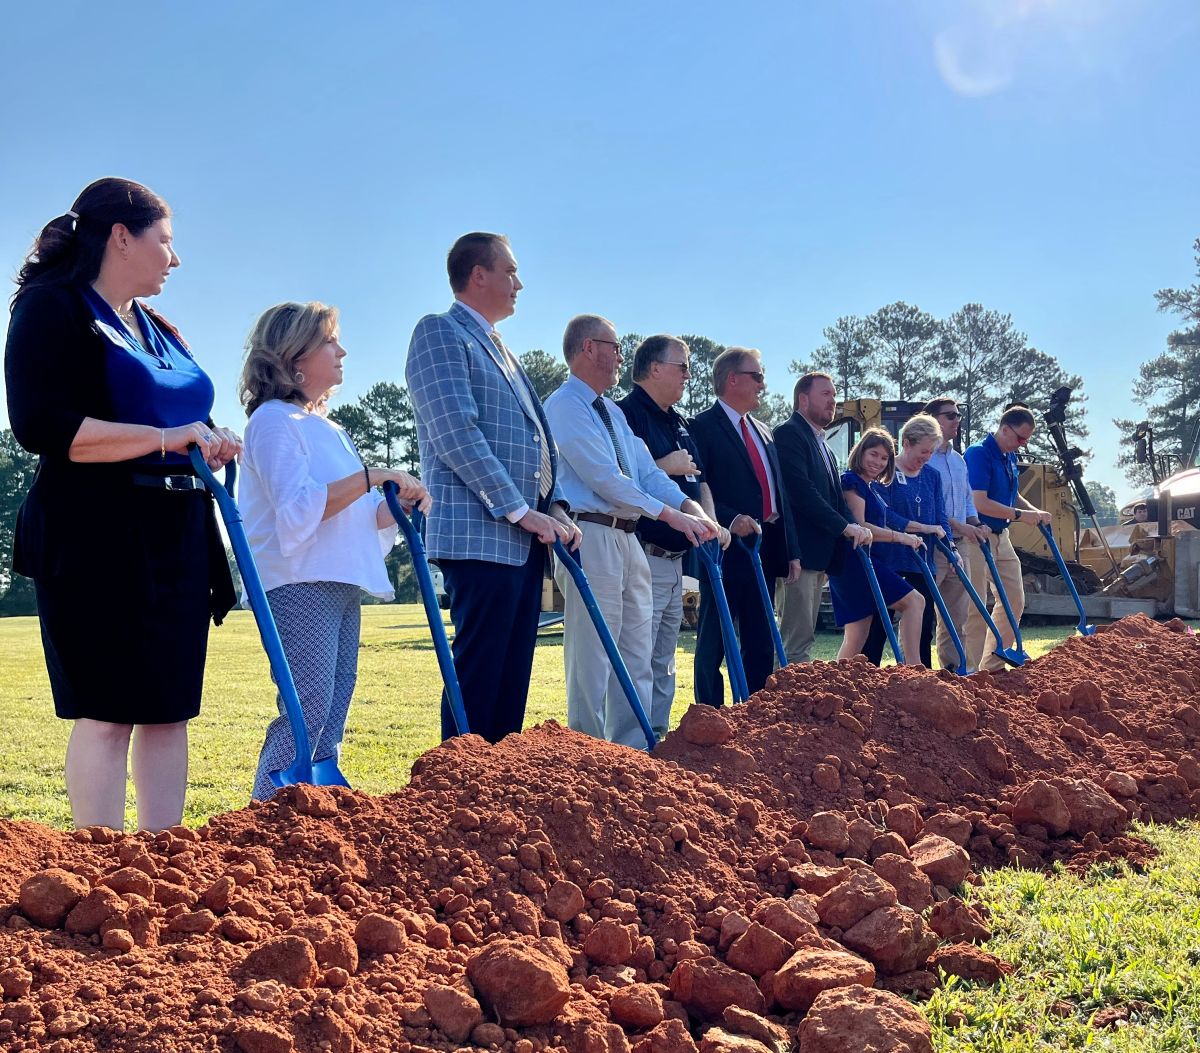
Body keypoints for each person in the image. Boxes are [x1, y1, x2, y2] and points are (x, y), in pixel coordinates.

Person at [3, 177, 240, 831]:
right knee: (108, 710)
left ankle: (160, 868)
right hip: (95, 533)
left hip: (180, 532)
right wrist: (166, 438)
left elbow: (187, 414)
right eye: (165, 241)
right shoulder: (52, 308)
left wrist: (213, 440)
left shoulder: (159, 327)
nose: (175, 257)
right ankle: (101, 868)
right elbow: (40, 425)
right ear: (120, 237)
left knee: (169, 707)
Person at [237, 302, 430, 801]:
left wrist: (394, 504)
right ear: (294, 354)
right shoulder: (274, 422)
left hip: (339, 579)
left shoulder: (331, 429)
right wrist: (370, 477)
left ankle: (313, 803)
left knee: (334, 702)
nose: (341, 350)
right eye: (329, 341)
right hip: (296, 579)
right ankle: (266, 810)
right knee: (307, 703)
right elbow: (297, 508)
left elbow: (354, 516)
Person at [406, 233, 580, 744]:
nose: (519, 283)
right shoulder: (440, 332)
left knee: (510, 684)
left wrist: (556, 508)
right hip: (480, 535)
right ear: (478, 275)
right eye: (510, 271)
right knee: (479, 679)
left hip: (524, 540)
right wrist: (519, 509)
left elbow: (537, 441)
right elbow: (455, 431)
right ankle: (458, 794)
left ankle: (496, 795)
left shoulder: (501, 348)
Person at [545, 317, 717, 747]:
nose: (622, 356)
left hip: (627, 537)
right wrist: (671, 516)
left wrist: (690, 507)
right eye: (615, 347)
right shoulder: (566, 405)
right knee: (593, 653)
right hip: (591, 534)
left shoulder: (613, 413)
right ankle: (588, 748)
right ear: (588, 348)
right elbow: (605, 478)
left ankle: (633, 747)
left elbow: (644, 472)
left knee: (637, 650)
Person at [616, 335, 730, 740]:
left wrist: (713, 524)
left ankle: (657, 740)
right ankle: (631, 745)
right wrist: (668, 464)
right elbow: (621, 480)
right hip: (640, 552)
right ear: (654, 368)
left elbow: (699, 483)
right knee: (638, 655)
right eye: (681, 366)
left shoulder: (679, 422)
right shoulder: (624, 415)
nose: (688, 374)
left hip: (675, 559)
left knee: (664, 659)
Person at [689, 348, 802, 703]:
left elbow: (779, 494)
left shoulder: (763, 431)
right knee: (716, 635)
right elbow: (695, 485)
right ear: (732, 379)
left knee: (760, 635)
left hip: (762, 549)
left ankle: (755, 711)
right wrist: (726, 518)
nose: (763, 385)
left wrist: (791, 551)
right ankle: (709, 712)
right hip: (723, 548)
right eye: (757, 376)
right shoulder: (700, 427)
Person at [774, 373, 873, 662]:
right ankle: (785, 703)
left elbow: (834, 498)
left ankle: (794, 700)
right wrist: (844, 527)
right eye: (826, 395)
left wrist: (853, 525)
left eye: (834, 395)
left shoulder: (824, 445)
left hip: (819, 556)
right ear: (803, 399)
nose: (833, 401)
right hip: (799, 555)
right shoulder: (789, 434)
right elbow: (801, 492)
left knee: (804, 637)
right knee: (795, 639)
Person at [963, 405, 1053, 672]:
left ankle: (991, 664)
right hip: (977, 537)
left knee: (1014, 599)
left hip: (1002, 537)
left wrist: (1033, 512)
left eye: (1027, 440)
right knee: (975, 606)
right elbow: (979, 502)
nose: (1022, 445)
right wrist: (1020, 515)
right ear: (1004, 429)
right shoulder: (978, 454)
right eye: (1020, 438)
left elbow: (1011, 496)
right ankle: (969, 672)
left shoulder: (1009, 457)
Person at [828, 428, 927, 664]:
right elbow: (860, 526)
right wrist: (900, 537)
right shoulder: (852, 481)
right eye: (873, 454)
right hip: (855, 562)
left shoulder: (871, 487)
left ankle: (835, 686)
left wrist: (917, 530)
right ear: (860, 452)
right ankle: (914, 668)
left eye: (884, 458)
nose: (878, 462)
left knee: (858, 634)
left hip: (862, 562)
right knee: (915, 601)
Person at [862, 415, 953, 667]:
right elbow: (883, 514)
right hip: (889, 558)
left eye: (931, 452)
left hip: (922, 561)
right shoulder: (886, 471)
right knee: (878, 625)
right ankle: (869, 677)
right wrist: (920, 528)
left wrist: (951, 548)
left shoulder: (932, 476)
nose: (926, 457)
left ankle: (918, 677)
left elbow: (940, 516)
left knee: (923, 626)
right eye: (923, 451)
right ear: (906, 443)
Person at [922, 396, 991, 671]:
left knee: (956, 615)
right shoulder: (925, 459)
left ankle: (953, 670)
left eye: (958, 415)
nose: (956, 420)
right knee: (923, 610)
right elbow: (928, 505)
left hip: (958, 546)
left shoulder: (958, 460)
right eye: (950, 415)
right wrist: (960, 526)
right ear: (932, 419)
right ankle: (915, 669)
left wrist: (975, 522)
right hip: (931, 544)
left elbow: (966, 500)